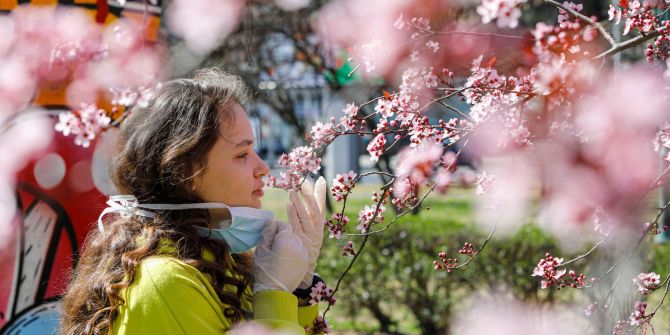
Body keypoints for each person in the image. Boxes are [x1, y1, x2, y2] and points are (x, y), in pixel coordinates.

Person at [60, 68, 328, 335]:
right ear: (186, 173)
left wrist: (300, 291)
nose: (262, 168)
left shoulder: (219, 260)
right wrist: (274, 294)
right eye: (242, 154)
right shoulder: (165, 282)